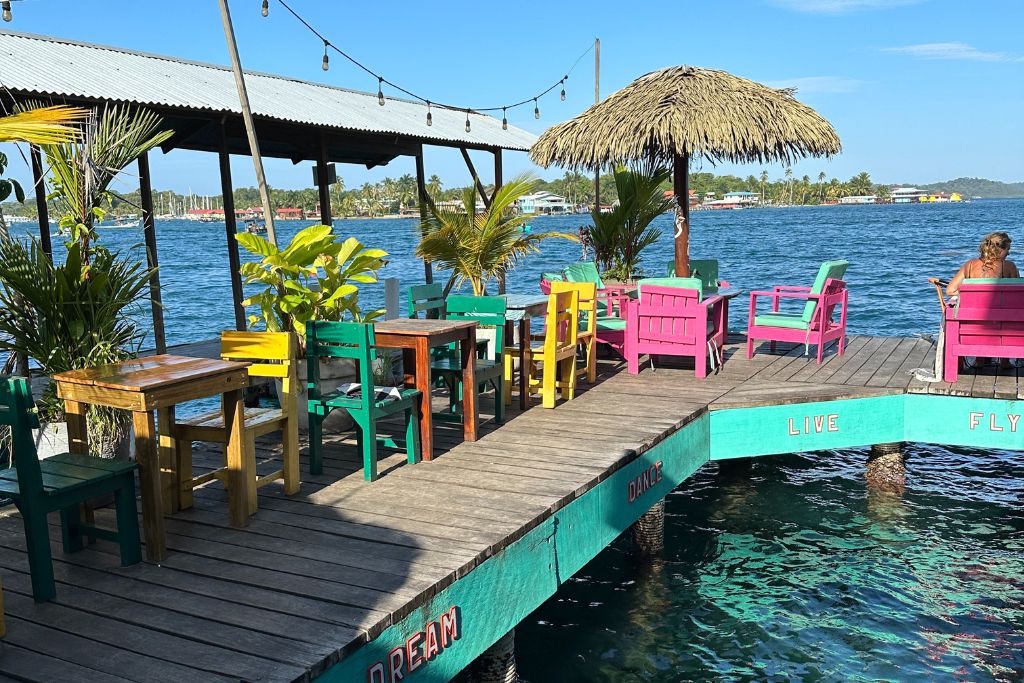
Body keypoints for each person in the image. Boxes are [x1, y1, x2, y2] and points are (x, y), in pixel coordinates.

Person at [946, 231, 1019, 297]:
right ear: (999, 249)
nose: (1008, 253)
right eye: (1007, 249)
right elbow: (1018, 292)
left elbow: (950, 291)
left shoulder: (969, 265)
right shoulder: (1009, 266)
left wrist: (970, 292)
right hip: (999, 309)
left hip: (974, 309)